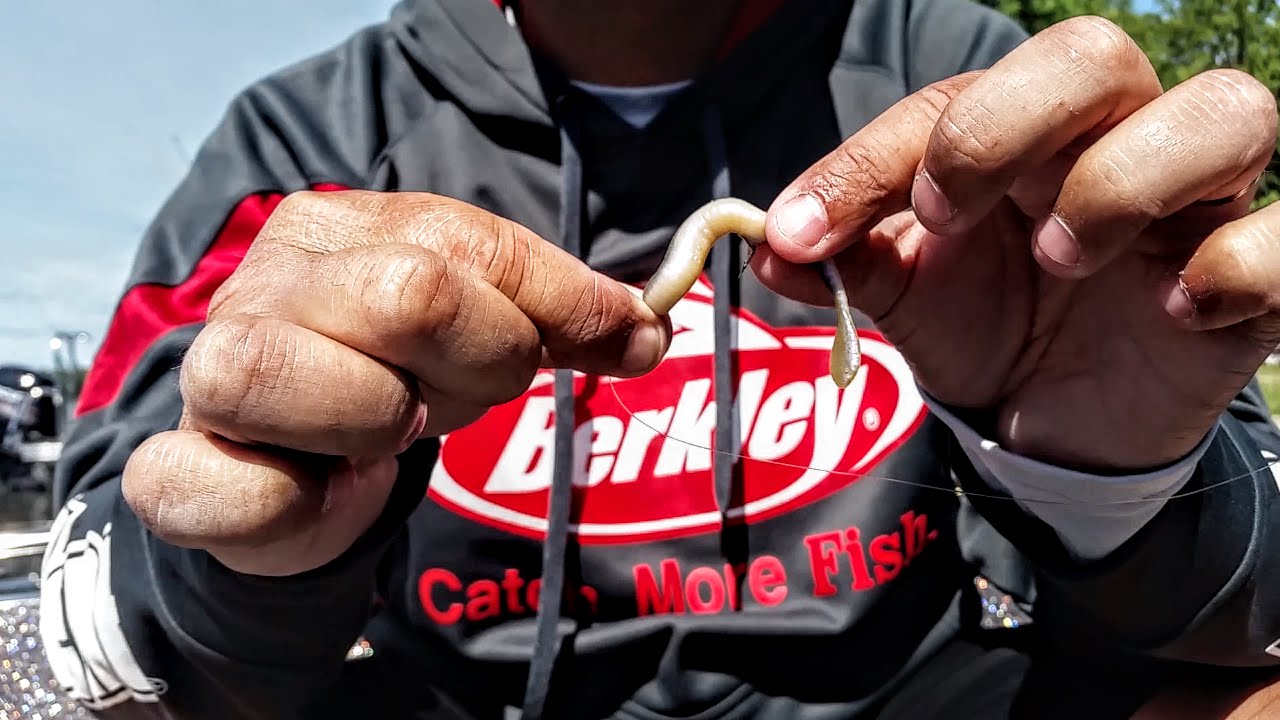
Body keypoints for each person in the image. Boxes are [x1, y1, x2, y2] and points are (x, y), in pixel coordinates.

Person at [35, 0, 1280, 718]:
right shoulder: (302, 140)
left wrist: (1115, 482)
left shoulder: (965, 79)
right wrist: (254, 555)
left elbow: (1252, 611)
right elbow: (97, 606)